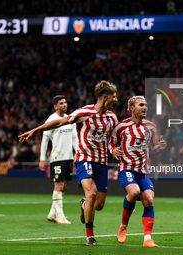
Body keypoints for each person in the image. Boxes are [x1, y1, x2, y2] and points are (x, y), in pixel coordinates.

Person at [18, 80, 118, 246]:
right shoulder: (84, 112)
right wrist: (35, 130)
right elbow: (59, 122)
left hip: (102, 162)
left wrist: (113, 148)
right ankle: (90, 236)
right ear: (105, 97)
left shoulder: (112, 117)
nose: (116, 100)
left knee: (98, 205)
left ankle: (84, 205)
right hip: (84, 158)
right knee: (91, 193)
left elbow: (114, 138)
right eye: (113, 97)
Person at [109, 96, 167, 247]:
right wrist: (113, 150)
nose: (144, 107)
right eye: (141, 105)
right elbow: (111, 144)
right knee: (134, 192)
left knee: (149, 198)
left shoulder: (151, 127)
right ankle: (123, 226)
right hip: (126, 169)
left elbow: (154, 147)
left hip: (144, 171)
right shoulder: (121, 127)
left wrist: (160, 146)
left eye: (146, 105)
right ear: (132, 108)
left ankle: (147, 239)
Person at [39, 95, 78, 225]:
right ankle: (60, 216)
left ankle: (52, 213)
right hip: (57, 157)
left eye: (65, 102)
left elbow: (74, 138)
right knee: (59, 185)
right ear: (55, 106)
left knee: (64, 185)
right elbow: (45, 140)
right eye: (61, 103)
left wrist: (77, 153)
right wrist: (42, 159)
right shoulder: (51, 120)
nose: (64, 105)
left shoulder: (69, 119)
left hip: (68, 158)